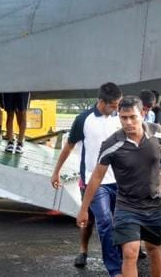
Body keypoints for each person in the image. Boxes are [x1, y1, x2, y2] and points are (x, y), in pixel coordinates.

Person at [76, 96, 161, 277]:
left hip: (154, 204)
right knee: (130, 252)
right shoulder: (111, 144)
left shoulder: (157, 132)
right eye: (124, 118)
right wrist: (84, 209)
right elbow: (96, 177)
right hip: (127, 206)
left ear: (143, 114)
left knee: (154, 248)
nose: (128, 122)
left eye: (133, 117)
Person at [50, 82, 123, 274]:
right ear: (101, 102)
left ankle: (120, 259)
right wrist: (56, 171)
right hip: (93, 181)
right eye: (113, 105)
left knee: (116, 222)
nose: (116, 109)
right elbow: (69, 146)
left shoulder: (119, 119)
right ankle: (112, 268)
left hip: (117, 180)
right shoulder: (84, 119)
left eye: (118, 105)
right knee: (103, 221)